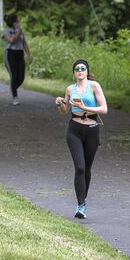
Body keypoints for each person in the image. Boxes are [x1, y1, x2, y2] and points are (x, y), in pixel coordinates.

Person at [55, 59, 107, 219]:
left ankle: (83, 200)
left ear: (87, 71)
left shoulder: (94, 86)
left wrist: (85, 108)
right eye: (76, 69)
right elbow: (64, 111)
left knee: (87, 168)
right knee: (80, 167)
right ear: (73, 73)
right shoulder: (70, 89)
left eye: (82, 68)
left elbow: (104, 109)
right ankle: (80, 206)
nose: (79, 71)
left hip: (91, 129)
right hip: (74, 130)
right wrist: (60, 103)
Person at [1, 14, 32, 105]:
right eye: (17, 21)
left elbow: (24, 43)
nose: (19, 23)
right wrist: (18, 32)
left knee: (21, 77)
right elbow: (12, 40)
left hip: (20, 53)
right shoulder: (6, 31)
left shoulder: (20, 31)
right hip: (10, 54)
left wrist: (29, 54)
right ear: (13, 22)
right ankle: (15, 97)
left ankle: (13, 87)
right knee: (14, 75)